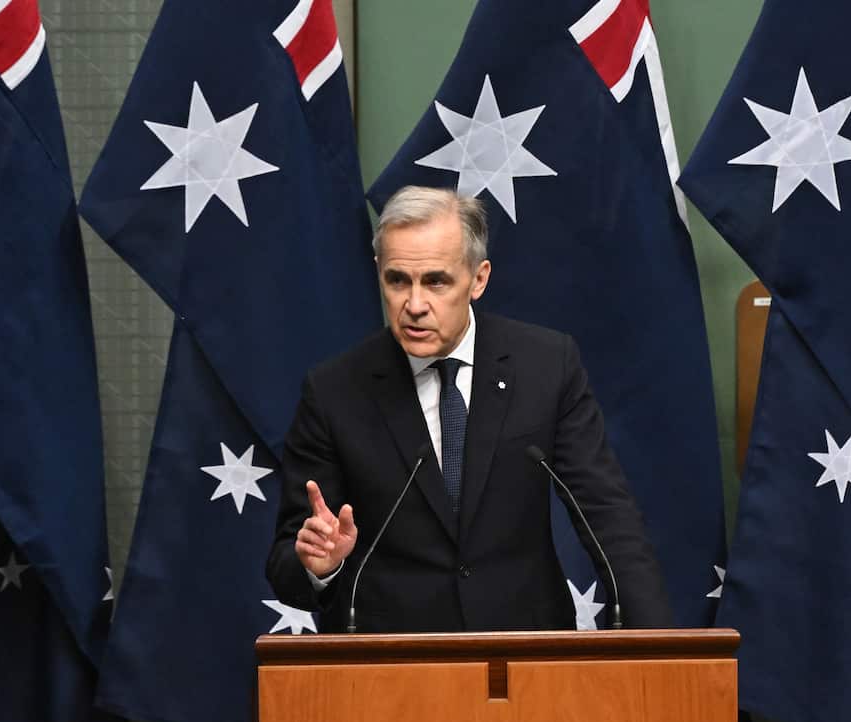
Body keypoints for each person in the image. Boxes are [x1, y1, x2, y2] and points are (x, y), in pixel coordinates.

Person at [265, 186, 671, 632]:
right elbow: (289, 561)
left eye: (436, 281)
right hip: (389, 669)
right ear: (379, 272)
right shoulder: (334, 391)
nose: (414, 305)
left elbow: (605, 515)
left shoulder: (546, 365)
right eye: (398, 280)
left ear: (478, 279)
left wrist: (655, 647)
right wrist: (320, 566)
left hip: (525, 654)